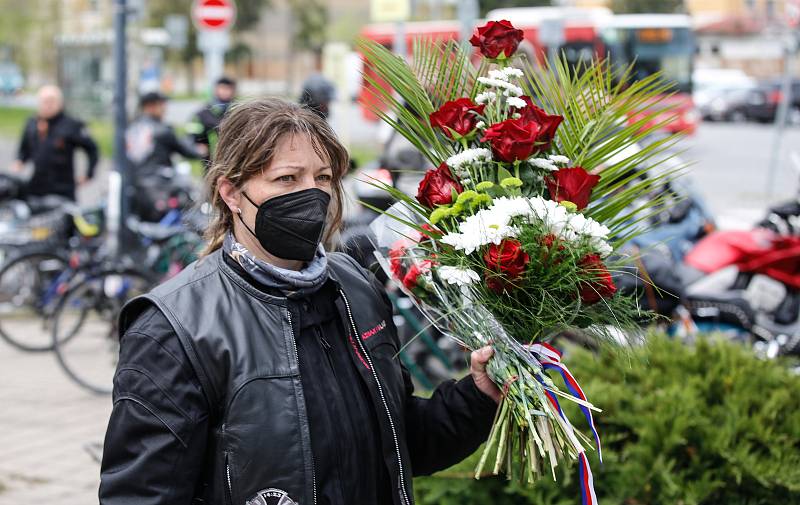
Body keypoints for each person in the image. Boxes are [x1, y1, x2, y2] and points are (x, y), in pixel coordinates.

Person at [99, 97, 501, 505]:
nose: (312, 194)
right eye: (288, 179)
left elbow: (399, 442)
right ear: (232, 193)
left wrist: (478, 395)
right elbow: (142, 495)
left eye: (323, 177)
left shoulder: (357, 289)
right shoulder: (174, 328)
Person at [11, 85, 98, 201]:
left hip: (62, 189)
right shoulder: (32, 123)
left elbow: (92, 148)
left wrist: (89, 174)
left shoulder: (71, 124)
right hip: (37, 186)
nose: (48, 105)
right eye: (44, 101)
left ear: (60, 103)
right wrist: (19, 161)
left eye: (51, 101)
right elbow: (24, 149)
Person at [126, 91, 203, 179]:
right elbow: (186, 151)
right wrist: (199, 150)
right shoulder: (162, 130)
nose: (165, 108)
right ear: (150, 107)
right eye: (161, 104)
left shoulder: (132, 128)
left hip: (133, 180)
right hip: (158, 183)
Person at [186, 76, 237, 165]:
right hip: (210, 163)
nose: (225, 91)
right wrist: (198, 147)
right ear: (215, 90)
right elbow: (191, 138)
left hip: (233, 162)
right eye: (222, 88)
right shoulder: (202, 114)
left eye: (228, 89)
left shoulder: (238, 112)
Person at [299, 49, 336, 120]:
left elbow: (303, 95)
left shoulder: (310, 79)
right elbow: (332, 91)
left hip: (312, 107)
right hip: (320, 106)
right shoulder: (323, 79)